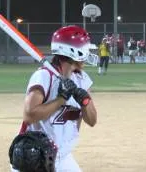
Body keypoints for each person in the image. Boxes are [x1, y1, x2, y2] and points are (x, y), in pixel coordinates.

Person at [12, 25, 97, 172]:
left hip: (62, 156)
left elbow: (92, 120)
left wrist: (85, 101)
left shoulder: (82, 80)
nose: (88, 52)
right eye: (85, 48)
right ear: (74, 51)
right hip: (35, 156)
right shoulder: (44, 76)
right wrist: (61, 99)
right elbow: (29, 115)